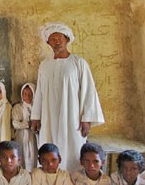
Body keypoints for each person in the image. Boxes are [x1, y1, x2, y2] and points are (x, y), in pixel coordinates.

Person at [30, 22, 105, 171]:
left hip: (72, 117)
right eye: (53, 39)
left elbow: (88, 91)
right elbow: (39, 92)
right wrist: (36, 116)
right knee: (49, 147)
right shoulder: (44, 65)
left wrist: (86, 119)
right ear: (48, 43)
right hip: (49, 116)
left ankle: (72, 184)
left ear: (67, 40)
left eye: (60, 38)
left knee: (73, 150)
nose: (56, 42)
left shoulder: (79, 63)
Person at [12, 82, 38, 171]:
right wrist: (28, 124)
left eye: (30, 94)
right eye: (25, 94)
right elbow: (15, 123)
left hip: (33, 137)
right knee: (22, 156)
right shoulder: (18, 107)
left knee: (32, 156)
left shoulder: (37, 108)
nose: (27, 96)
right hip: (21, 136)